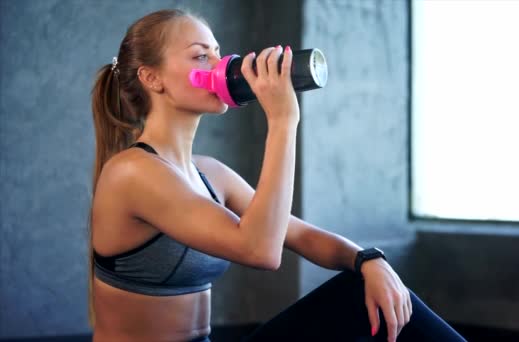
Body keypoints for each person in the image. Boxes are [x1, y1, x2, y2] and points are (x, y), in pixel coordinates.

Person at [88, 8, 466, 342]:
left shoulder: (210, 174)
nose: (221, 64)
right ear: (152, 79)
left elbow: (299, 233)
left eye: (218, 52)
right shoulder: (131, 172)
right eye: (201, 56)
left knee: (364, 289)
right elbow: (260, 250)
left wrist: (369, 260)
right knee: (357, 296)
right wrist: (283, 120)